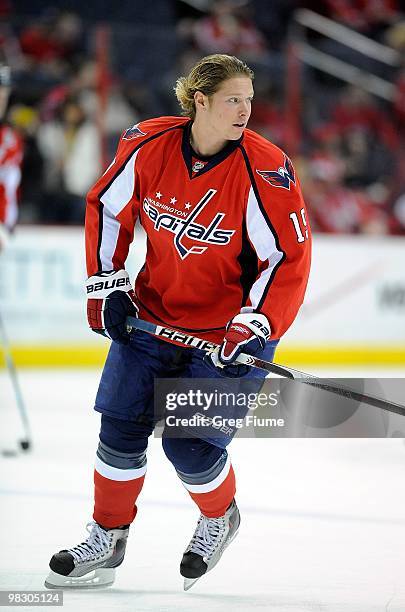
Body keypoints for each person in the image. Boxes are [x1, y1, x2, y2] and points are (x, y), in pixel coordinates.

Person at [45, 53, 311, 591]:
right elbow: (107, 208)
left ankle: (220, 517)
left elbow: (287, 259)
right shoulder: (147, 144)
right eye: (234, 99)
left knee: (189, 445)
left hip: (229, 334)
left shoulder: (266, 170)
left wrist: (254, 325)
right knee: (120, 429)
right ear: (201, 101)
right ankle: (107, 537)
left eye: (251, 100)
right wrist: (106, 282)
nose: (246, 110)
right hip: (152, 316)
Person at [0, 64, 23, 252]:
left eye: (4, 92)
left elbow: (8, 188)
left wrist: (4, 228)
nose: (1, 98)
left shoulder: (9, 138)